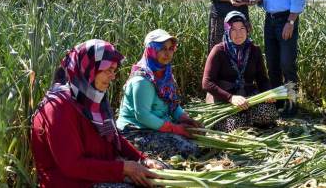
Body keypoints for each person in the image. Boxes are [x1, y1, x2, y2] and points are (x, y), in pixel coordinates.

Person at [31, 39, 163, 188]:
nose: (113, 77)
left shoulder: (91, 97)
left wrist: (141, 159)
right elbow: (72, 166)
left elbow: (113, 137)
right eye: (108, 70)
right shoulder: (58, 107)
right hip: (71, 183)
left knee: (160, 172)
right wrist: (124, 168)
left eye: (114, 70)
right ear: (89, 69)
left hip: (98, 175)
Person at [116, 29, 201, 159]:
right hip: (135, 131)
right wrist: (176, 128)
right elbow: (143, 116)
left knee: (198, 139)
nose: (167, 53)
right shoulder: (142, 79)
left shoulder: (165, 74)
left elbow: (171, 103)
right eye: (162, 49)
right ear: (151, 50)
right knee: (189, 148)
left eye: (170, 48)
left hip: (157, 125)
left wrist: (185, 119)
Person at [202, 11, 278, 132]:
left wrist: (268, 92)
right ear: (227, 31)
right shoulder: (218, 51)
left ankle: (249, 121)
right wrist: (230, 98)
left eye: (242, 28)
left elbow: (262, 78)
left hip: (247, 97)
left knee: (269, 113)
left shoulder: (254, 50)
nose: (239, 34)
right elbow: (207, 83)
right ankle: (247, 123)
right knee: (234, 126)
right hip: (224, 98)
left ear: (247, 29)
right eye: (233, 29)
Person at [257, 0, 306, 117]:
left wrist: (291, 22)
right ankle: (278, 103)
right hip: (269, 21)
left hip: (286, 20)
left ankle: (293, 104)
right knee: (272, 64)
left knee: (287, 63)